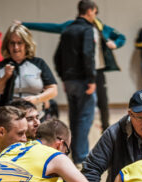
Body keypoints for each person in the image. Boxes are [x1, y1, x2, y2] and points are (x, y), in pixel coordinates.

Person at [21, 12, 126, 132]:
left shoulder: (100, 27)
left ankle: (105, 128)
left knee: (102, 101)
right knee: (77, 108)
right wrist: (25, 24)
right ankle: (74, 134)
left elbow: (121, 37)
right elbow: (51, 27)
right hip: (80, 74)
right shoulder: (72, 27)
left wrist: (115, 44)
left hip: (97, 71)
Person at [54, 0, 98, 166]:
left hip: (69, 81)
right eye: (94, 12)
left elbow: (57, 57)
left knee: (74, 119)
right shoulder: (87, 29)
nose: (94, 16)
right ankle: (81, 158)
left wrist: (63, 77)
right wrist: (92, 79)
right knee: (85, 119)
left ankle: (71, 153)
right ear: (90, 11)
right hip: (83, 80)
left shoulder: (67, 30)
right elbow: (88, 55)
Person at [0, 24, 58, 111]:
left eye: (19, 43)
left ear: (26, 44)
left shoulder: (39, 63)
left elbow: (53, 90)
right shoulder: (0, 66)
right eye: (12, 43)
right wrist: (5, 78)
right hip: (10, 115)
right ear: (7, 45)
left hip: (35, 114)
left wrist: (37, 99)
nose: (16, 47)